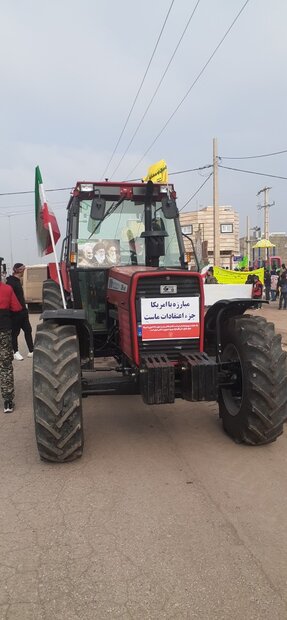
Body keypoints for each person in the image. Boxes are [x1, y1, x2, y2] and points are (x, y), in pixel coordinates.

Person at [0, 278, 22, 412]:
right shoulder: (7, 289)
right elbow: (17, 308)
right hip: (4, 331)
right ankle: (8, 402)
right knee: (5, 365)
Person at [6, 263, 34, 361]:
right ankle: (15, 352)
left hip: (23, 311)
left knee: (28, 330)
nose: (24, 271)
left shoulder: (18, 281)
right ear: (17, 270)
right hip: (14, 313)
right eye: (23, 269)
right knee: (15, 333)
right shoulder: (10, 282)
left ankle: (31, 350)